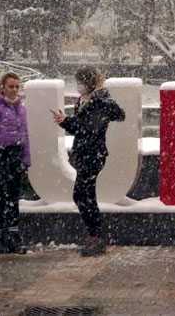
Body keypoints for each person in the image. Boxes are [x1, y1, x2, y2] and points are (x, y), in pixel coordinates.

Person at [52, 66, 125, 256]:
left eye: (81, 82)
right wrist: (67, 121)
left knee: (84, 197)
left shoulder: (100, 102)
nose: (79, 86)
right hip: (84, 154)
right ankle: (95, 236)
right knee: (84, 196)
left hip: (93, 155)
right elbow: (83, 127)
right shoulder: (86, 100)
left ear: (90, 82)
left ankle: (97, 237)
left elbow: (89, 128)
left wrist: (66, 121)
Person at [0, 71, 30, 254]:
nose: (14, 90)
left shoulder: (21, 108)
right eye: (11, 86)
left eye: (17, 86)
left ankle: (13, 237)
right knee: (3, 198)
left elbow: (25, 136)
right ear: (2, 87)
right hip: (1, 156)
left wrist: (26, 159)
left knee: (14, 199)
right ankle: (0, 237)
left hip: (15, 156)